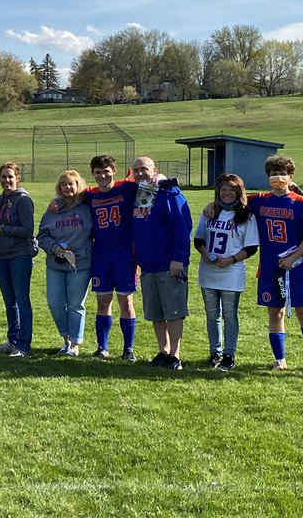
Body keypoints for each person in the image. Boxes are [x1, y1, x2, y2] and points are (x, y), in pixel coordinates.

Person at [248, 154, 303, 373]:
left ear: (291, 176)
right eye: (274, 174)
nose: (278, 178)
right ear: (267, 176)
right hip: (269, 268)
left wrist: (294, 257)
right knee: (275, 313)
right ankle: (279, 359)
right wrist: (210, 206)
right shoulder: (259, 200)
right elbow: (231, 197)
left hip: (296, 269)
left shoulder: (301, 203)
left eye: (282, 174)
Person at [129, 157, 191, 371]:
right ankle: (163, 351)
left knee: (173, 311)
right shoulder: (137, 194)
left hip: (169, 263)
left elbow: (182, 227)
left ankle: (175, 354)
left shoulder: (169, 193)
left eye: (144, 169)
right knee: (155, 312)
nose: (140, 173)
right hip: (148, 264)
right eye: (135, 170)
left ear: (154, 169)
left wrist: (179, 258)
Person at [193, 173, 259, 372]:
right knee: (212, 314)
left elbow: (251, 247)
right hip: (209, 270)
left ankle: (229, 354)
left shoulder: (246, 215)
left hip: (231, 272)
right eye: (223, 189)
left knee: (230, 315)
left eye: (231, 189)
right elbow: (198, 239)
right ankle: (215, 352)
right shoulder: (210, 211)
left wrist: (231, 260)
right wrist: (205, 253)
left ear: (239, 192)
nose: (227, 193)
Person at [37, 169, 95, 357]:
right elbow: (42, 236)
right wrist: (55, 248)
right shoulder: (53, 210)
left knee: (76, 304)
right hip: (56, 264)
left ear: (78, 185)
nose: (67, 187)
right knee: (55, 303)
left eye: (71, 184)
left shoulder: (87, 207)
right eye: (64, 184)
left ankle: (75, 343)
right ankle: (66, 339)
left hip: (81, 264)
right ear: (59, 188)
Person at [87, 155, 139, 362]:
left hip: (125, 257)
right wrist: (56, 203)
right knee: (102, 302)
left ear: (114, 171)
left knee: (126, 302)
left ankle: (128, 349)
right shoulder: (89, 194)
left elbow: (152, 181)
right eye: (98, 172)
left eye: (106, 171)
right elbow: (68, 195)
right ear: (93, 173)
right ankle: (102, 348)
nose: (102, 176)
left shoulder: (126, 188)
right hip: (100, 257)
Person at [0, 161, 36, 358]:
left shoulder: (23, 200)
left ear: (18, 178)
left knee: (22, 300)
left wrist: (2, 229)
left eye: (10, 176)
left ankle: (23, 345)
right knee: (10, 301)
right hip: (0, 257)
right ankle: (13, 340)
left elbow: (28, 230)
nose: (6, 180)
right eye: (3, 177)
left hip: (19, 256)